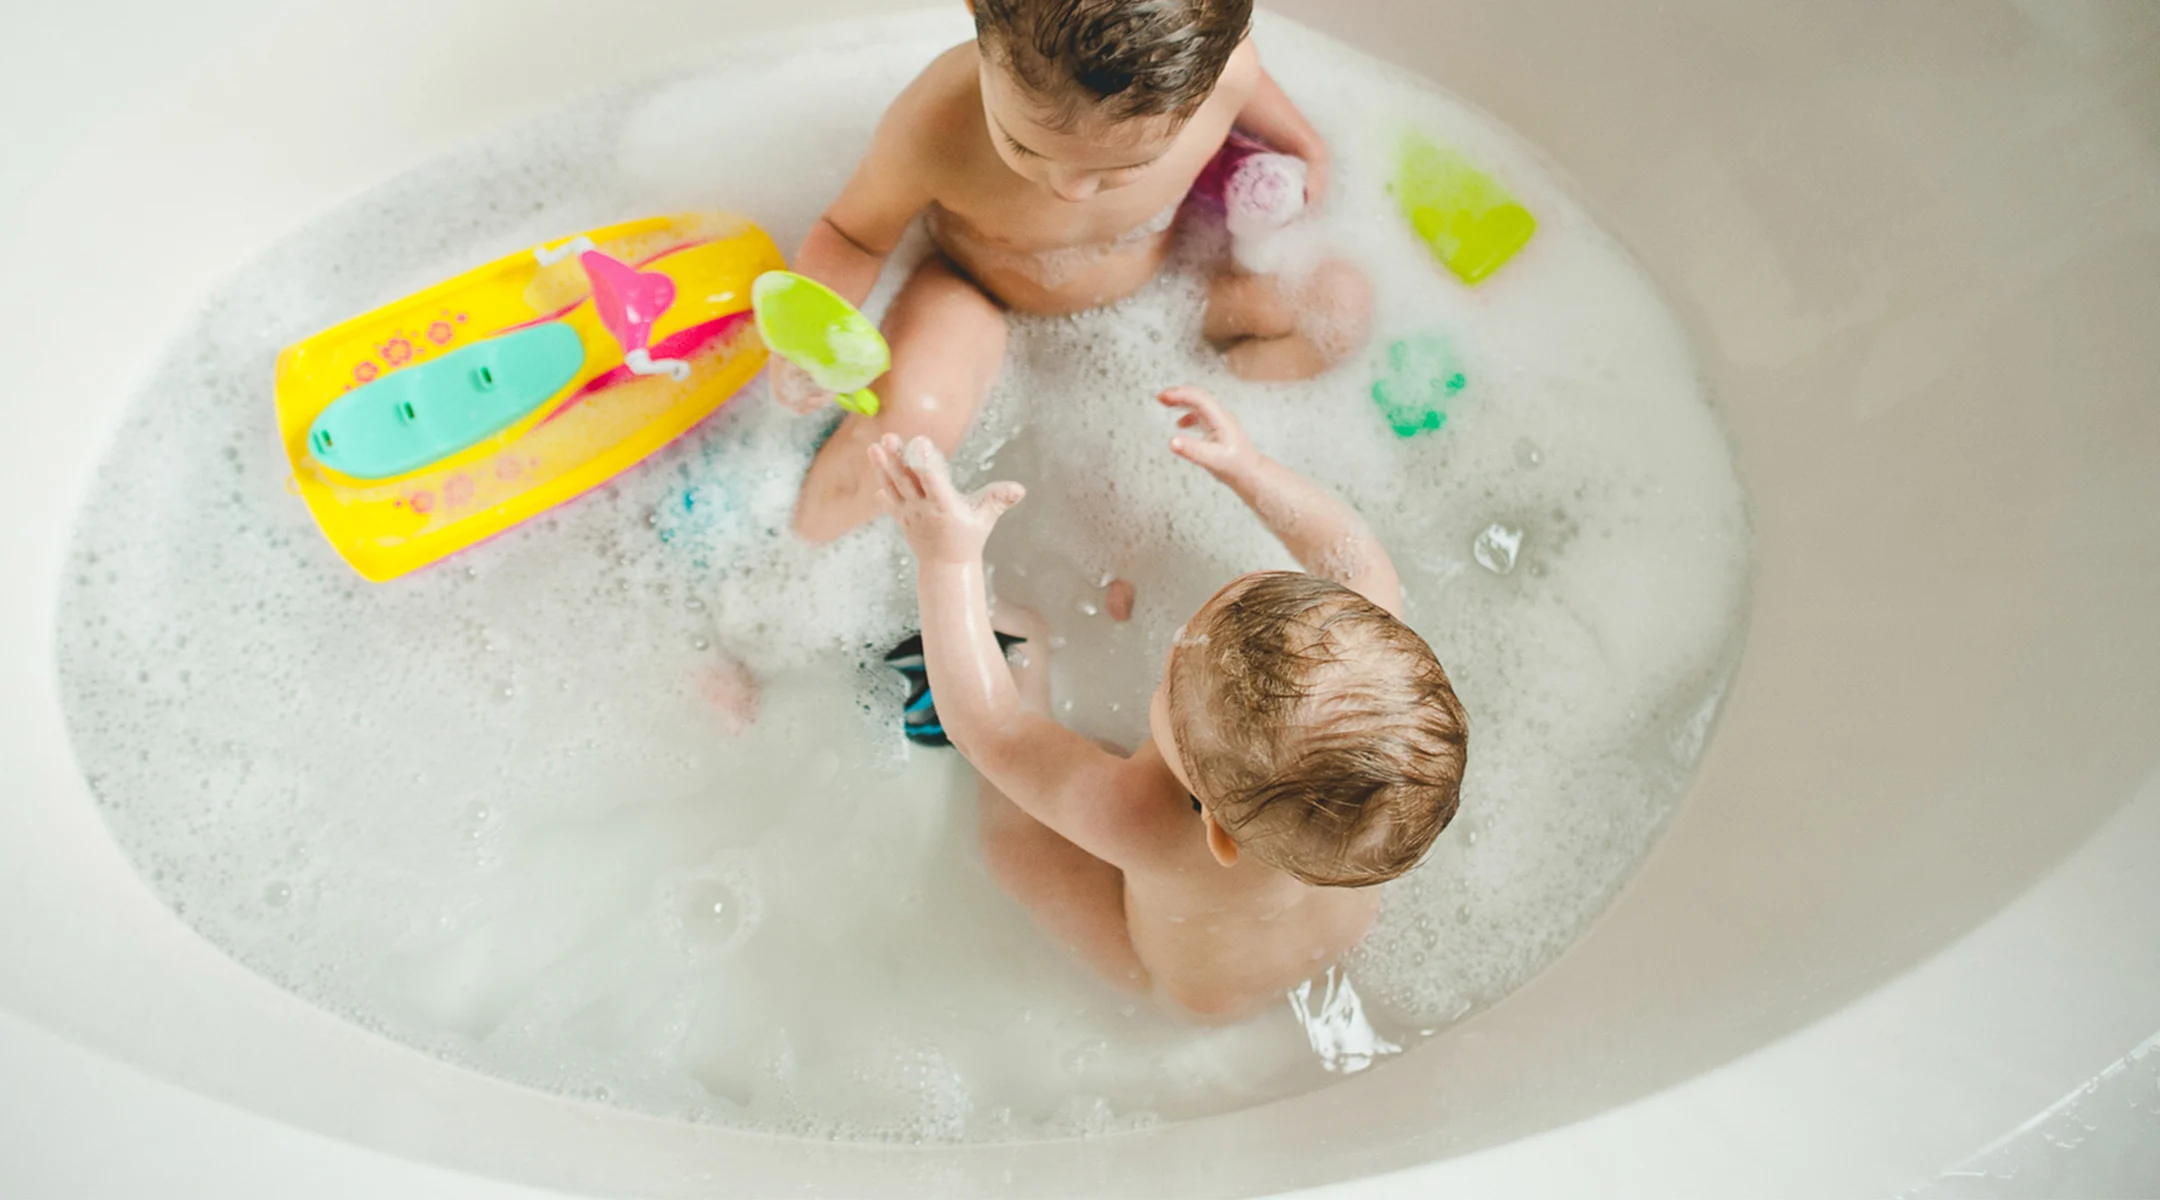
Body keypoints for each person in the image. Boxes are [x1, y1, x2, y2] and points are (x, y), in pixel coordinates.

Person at [865, 386, 1467, 1017]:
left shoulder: (1145, 821)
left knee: (1020, 849)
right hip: (1334, 936)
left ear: (1216, 832)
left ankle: (1023, 660)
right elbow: (1354, 559)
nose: (1174, 647)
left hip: (1193, 991)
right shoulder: (1367, 674)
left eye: (1169, 685)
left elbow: (991, 729)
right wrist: (1251, 469)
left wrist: (948, 562)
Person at [782, 0, 1374, 543]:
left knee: (1338, 308)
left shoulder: (1227, 74)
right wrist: (813, 343)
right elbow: (852, 236)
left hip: (1164, 287)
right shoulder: (935, 125)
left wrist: (1305, 145)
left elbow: (1247, 82)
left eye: (1127, 166)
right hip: (977, 289)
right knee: (915, 426)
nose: (1070, 189)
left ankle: (1197, 429)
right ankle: (800, 553)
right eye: (1024, 146)